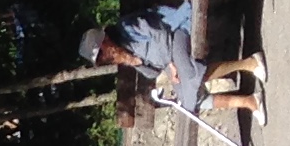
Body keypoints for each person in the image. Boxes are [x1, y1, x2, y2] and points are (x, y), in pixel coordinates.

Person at [81, 12, 265, 115]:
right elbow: (153, 73)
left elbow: (161, 33)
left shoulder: (127, 27)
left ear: (105, 40)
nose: (105, 58)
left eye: (102, 53)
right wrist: (134, 62)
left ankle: (250, 63)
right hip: (169, 61)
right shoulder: (123, 55)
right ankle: (250, 102)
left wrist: (170, 63)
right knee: (189, 102)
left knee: (190, 74)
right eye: (101, 60)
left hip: (176, 33)